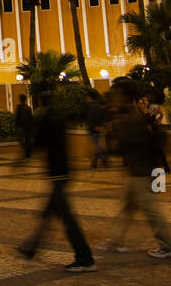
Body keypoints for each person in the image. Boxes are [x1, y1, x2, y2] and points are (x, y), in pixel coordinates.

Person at [16, 90, 95, 273]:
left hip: (58, 173)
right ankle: (31, 248)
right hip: (62, 171)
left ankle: (85, 258)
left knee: (67, 219)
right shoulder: (59, 117)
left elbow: (39, 143)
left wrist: (23, 159)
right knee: (49, 213)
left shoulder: (49, 118)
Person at [108, 84, 171, 258]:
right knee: (130, 205)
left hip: (142, 170)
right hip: (146, 169)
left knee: (151, 208)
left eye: (118, 96)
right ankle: (116, 241)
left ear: (127, 98)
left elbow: (124, 144)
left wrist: (107, 148)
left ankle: (169, 246)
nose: (115, 100)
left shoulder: (133, 119)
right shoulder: (141, 117)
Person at [85, 91, 109, 169]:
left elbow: (90, 118)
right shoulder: (98, 106)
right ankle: (98, 161)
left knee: (96, 146)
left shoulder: (89, 106)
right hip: (97, 128)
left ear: (89, 97)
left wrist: (94, 126)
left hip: (93, 129)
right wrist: (100, 126)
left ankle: (100, 160)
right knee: (97, 145)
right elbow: (102, 116)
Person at [15, 94, 33, 159]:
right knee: (27, 140)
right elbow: (31, 118)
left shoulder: (19, 108)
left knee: (23, 141)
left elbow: (17, 118)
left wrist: (16, 126)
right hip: (27, 126)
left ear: (20, 99)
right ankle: (28, 153)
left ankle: (27, 153)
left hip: (21, 127)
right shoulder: (28, 108)